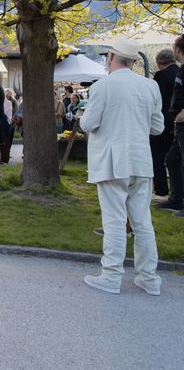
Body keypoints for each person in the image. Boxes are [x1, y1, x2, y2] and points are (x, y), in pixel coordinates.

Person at [79, 38, 163, 295]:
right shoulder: (150, 86)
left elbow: (87, 124)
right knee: (142, 222)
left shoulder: (103, 86)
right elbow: (157, 127)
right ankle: (149, 279)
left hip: (112, 160)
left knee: (114, 221)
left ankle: (112, 275)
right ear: (134, 61)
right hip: (141, 160)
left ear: (111, 58)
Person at [151, 49, 178, 197]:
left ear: (160, 62)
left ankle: (161, 190)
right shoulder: (180, 72)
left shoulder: (161, 75)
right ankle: (178, 192)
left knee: (157, 157)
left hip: (164, 122)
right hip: (178, 122)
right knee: (176, 161)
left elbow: (157, 100)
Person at [163, 36, 184, 216]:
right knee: (172, 159)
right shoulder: (181, 70)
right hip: (178, 124)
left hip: (183, 121)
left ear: (178, 48)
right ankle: (176, 200)